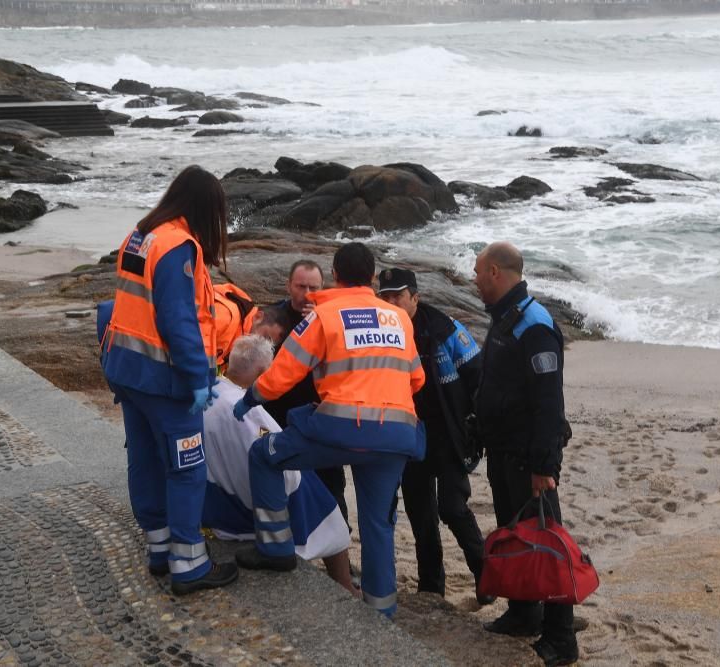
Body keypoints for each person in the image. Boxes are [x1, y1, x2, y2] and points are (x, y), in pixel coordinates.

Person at [232, 242, 426, 618]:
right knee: (378, 524)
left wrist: (249, 399)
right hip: (395, 436)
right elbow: (417, 379)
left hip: (339, 430)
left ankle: (275, 550)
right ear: (371, 277)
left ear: (335, 274)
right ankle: (381, 611)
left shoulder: (322, 316)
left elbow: (284, 372)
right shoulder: (398, 318)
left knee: (264, 455)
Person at [99, 165, 238, 595]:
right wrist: (199, 377)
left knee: (144, 459)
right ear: (202, 208)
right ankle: (189, 564)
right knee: (186, 468)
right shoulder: (179, 247)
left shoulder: (141, 234)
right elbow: (180, 320)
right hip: (165, 380)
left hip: (126, 370)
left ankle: (159, 549)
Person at [472, 242, 578, 666]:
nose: (474, 279)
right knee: (516, 536)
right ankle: (522, 612)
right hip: (503, 451)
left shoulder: (534, 324)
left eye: (478, 271)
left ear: (496, 271)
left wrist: (543, 466)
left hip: (528, 457)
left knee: (548, 545)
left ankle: (561, 638)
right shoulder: (504, 319)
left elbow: (548, 403)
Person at [201, 334, 357, 594]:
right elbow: (282, 470)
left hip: (216, 504)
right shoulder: (246, 408)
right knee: (313, 489)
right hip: (247, 510)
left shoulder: (213, 392)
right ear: (264, 372)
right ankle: (345, 584)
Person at [376, 267, 492, 605]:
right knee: (419, 513)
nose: (391, 302)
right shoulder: (380, 331)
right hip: (407, 433)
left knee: (453, 508)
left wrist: (476, 426)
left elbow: (478, 376)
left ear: (416, 297)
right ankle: (431, 587)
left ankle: (484, 573)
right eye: (385, 296)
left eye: (398, 295)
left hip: (448, 432)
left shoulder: (445, 329)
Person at [265, 260, 350, 527]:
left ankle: (340, 547)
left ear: (323, 287)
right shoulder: (271, 317)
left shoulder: (334, 318)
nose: (306, 294)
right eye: (300, 286)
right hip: (278, 415)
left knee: (331, 487)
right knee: (281, 484)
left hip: (320, 414)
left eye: (313, 287)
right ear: (289, 285)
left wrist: (320, 322)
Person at [212, 282, 290, 370]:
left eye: (268, 345)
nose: (262, 346)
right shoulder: (225, 317)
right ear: (258, 317)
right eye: (265, 337)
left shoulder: (241, 335)